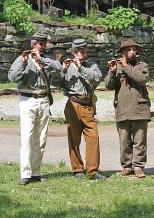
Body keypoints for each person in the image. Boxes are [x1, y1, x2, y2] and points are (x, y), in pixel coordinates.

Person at [8, 32, 62, 185]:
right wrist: (24, 62)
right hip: (28, 99)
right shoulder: (22, 58)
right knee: (27, 138)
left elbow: (58, 67)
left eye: (44, 43)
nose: (43, 46)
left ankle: (36, 172)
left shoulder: (46, 59)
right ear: (33, 44)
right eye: (40, 43)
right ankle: (25, 173)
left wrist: (41, 59)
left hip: (43, 100)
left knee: (41, 138)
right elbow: (12, 77)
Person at [104, 39, 151, 178]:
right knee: (124, 141)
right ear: (123, 52)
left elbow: (141, 79)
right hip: (122, 109)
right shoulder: (117, 67)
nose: (132, 52)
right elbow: (108, 86)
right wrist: (112, 72)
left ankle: (138, 167)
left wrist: (125, 67)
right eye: (128, 50)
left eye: (134, 49)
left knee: (139, 141)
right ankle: (126, 166)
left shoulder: (142, 65)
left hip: (139, 109)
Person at [60, 38, 106, 180]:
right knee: (74, 138)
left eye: (85, 51)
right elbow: (57, 83)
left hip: (87, 104)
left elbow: (96, 78)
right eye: (81, 51)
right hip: (72, 104)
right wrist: (63, 70)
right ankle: (77, 169)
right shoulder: (67, 66)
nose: (84, 54)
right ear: (74, 52)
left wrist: (80, 67)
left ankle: (92, 170)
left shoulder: (91, 65)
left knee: (93, 137)